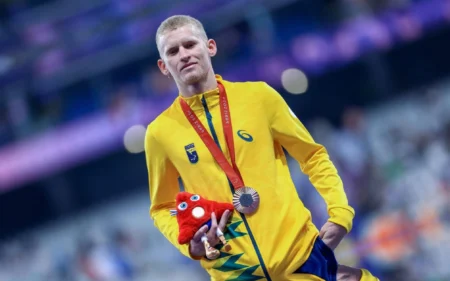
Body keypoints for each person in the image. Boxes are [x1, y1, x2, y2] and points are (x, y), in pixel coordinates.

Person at [145, 15, 379, 281]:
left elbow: (312, 155)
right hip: (235, 272)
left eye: (190, 44)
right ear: (164, 66)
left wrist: (340, 211)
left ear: (210, 47)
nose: (184, 55)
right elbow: (162, 206)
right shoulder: (159, 133)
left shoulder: (259, 97)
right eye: (173, 51)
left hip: (302, 259)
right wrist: (189, 242)